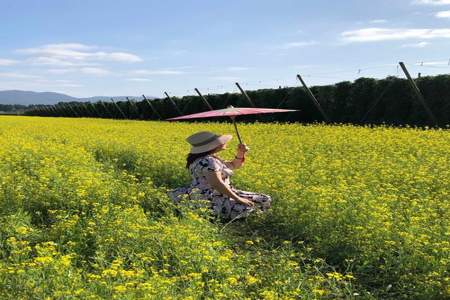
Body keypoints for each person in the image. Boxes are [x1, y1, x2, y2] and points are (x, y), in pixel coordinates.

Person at [168, 131, 272, 220]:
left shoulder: (208, 158)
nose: (224, 142)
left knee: (262, 199)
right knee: (260, 201)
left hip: (209, 193)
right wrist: (238, 199)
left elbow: (233, 165)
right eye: (220, 141)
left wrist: (241, 152)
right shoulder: (209, 161)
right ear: (213, 145)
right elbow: (217, 184)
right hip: (213, 197)